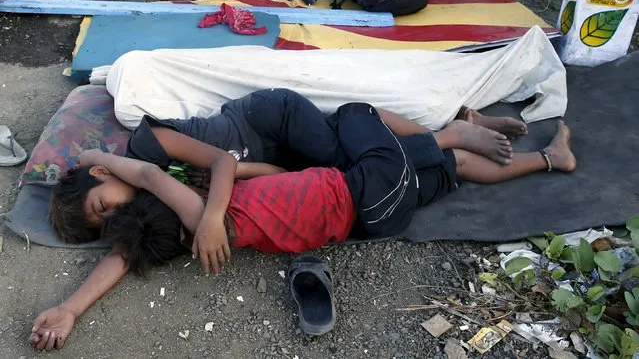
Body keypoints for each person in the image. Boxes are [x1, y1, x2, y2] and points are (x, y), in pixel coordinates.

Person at [32, 102, 575, 350]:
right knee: (360, 114)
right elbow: (150, 176)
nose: (114, 218)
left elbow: (124, 253)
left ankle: (549, 160)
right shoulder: (201, 216)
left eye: (104, 210)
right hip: (365, 190)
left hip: (372, 219)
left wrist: (70, 307)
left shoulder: (206, 222)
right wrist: (90, 160)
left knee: (446, 172)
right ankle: (455, 130)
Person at [51, 88, 531, 277]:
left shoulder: (147, 150)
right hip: (287, 169)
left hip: (269, 120)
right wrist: (71, 311)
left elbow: (219, 161)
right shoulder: (163, 210)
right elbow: (124, 251)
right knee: (360, 157)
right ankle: (497, 147)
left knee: (355, 136)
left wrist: (215, 213)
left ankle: (453, 130)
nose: (116, 214)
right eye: (108, 224)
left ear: (100, 174)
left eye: (102, 206)